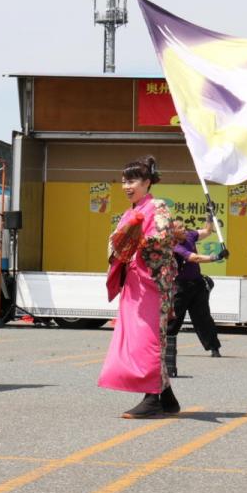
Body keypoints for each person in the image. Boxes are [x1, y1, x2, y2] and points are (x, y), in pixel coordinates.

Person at [98, 156, 182, 418]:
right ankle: (167, 398)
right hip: (135, 282)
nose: (126, 186)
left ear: (147, 182)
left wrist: (138, 239)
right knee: (140, 337)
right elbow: (117, 244)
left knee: (148, 339)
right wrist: (121, 243)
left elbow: (164, 236)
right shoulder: (130, 212)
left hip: (151, 283)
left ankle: (152, 398)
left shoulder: (157, 206)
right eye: (124, 181)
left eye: (132, 180)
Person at [165, 219, 225, 376]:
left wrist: (209, 217)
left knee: (203, 317)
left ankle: (214, 347)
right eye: (180, 228)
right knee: (174, 319)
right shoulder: (175, 246)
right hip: (180, 287)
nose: (184, 229)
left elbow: (207, 231)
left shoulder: (190, 236)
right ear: (173, 232)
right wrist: (216, 257)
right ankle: (166, 347)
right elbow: (194, 258)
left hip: (197, 284)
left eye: (183, 226)